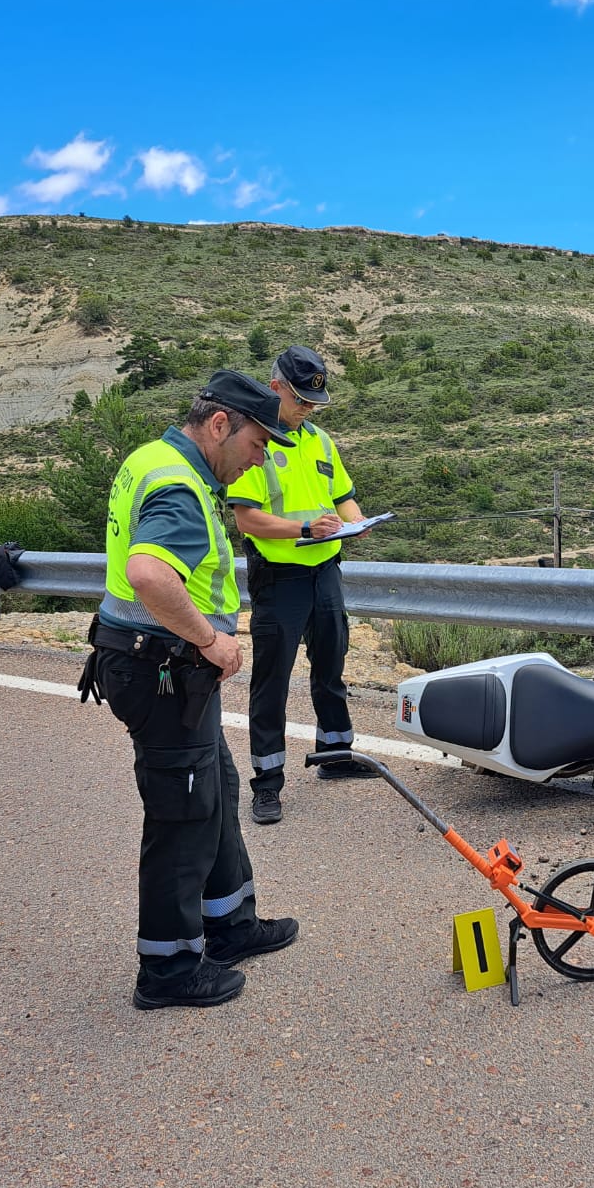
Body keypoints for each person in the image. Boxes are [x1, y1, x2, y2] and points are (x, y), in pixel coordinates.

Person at [81, 369, 300, 1010]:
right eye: (258, 444)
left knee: (216, 790)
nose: (259, 461)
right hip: (163, 669)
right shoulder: (180, 485)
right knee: (183, 814)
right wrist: (210, 640)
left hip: (165, 669)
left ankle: (229, 925)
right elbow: (148, 573)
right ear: (219, 425)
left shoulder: (156, 459)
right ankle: (169, 969)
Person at [227, 344, 375, 826]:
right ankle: (266, 784)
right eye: (301, 399)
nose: (310, 407)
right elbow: (247, 519)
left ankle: (335, 756)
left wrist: (358, 522)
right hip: (281, 578)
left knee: (331, 666)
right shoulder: (256, 442)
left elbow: (343, 497)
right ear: (275, 388)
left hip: (325, 571)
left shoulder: (321, 441)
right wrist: (304, 530)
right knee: (272, 683)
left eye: (315, 400)